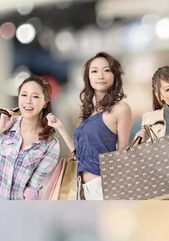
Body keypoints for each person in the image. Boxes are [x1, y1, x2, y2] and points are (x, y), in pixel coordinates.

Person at [47, 52, 132, 200]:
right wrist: (60, 128)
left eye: (106, 70)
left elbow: (122, 153)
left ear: (115, 75)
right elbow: (79, 155)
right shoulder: (89, 113)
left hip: (102, 187)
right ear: (88, 78)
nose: (100, 76)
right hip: (80, 187)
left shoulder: (120, 108)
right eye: (94, 71)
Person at [0, 75, 60, 200]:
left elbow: (32, 189)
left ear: (45, 102)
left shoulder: (51, 145)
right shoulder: (6, 123)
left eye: (35, 96)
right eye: (24, 95)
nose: (28, 101)